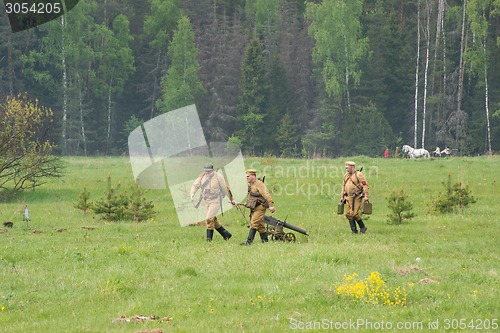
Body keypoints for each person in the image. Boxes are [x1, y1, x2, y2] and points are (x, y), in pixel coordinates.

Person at [190, 163, 235, 241]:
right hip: (206, 200)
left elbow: (225, 188)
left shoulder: (218, 177)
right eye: (206, 171)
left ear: (212, 170)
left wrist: (231, 199)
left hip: (215, 200)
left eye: (209, 171)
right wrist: (192, 193)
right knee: (213, 219)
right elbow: (195, 185)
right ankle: (226, 234)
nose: (207, 173)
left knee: (209, 218)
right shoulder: (202, 176)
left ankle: (209, 239)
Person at [241, 169, 275, 245]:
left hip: (260, 207)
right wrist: (247, 203)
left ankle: (248, 242)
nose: (247, 178)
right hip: (254, 207)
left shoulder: (259, 184)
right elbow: (251, 195)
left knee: (253, 223)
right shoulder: (251, 185)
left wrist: (271, 205)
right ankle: (265, 241)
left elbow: (266, 194)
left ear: (253, 176)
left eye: (248, 176)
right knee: (260, 226)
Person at [340, 161, 369, 234]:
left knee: (354, 214)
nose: (346, 169)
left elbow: (364, 185)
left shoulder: (359, 175)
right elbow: (343, 186)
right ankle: (353, 230)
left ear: (352, 167)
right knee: (348, 214)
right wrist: (342, 196)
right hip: (348, 197)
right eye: (346, 167)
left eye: (348, 167)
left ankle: (362, 227)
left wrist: (366, 195)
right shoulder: (346, 176)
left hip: (356, 197)